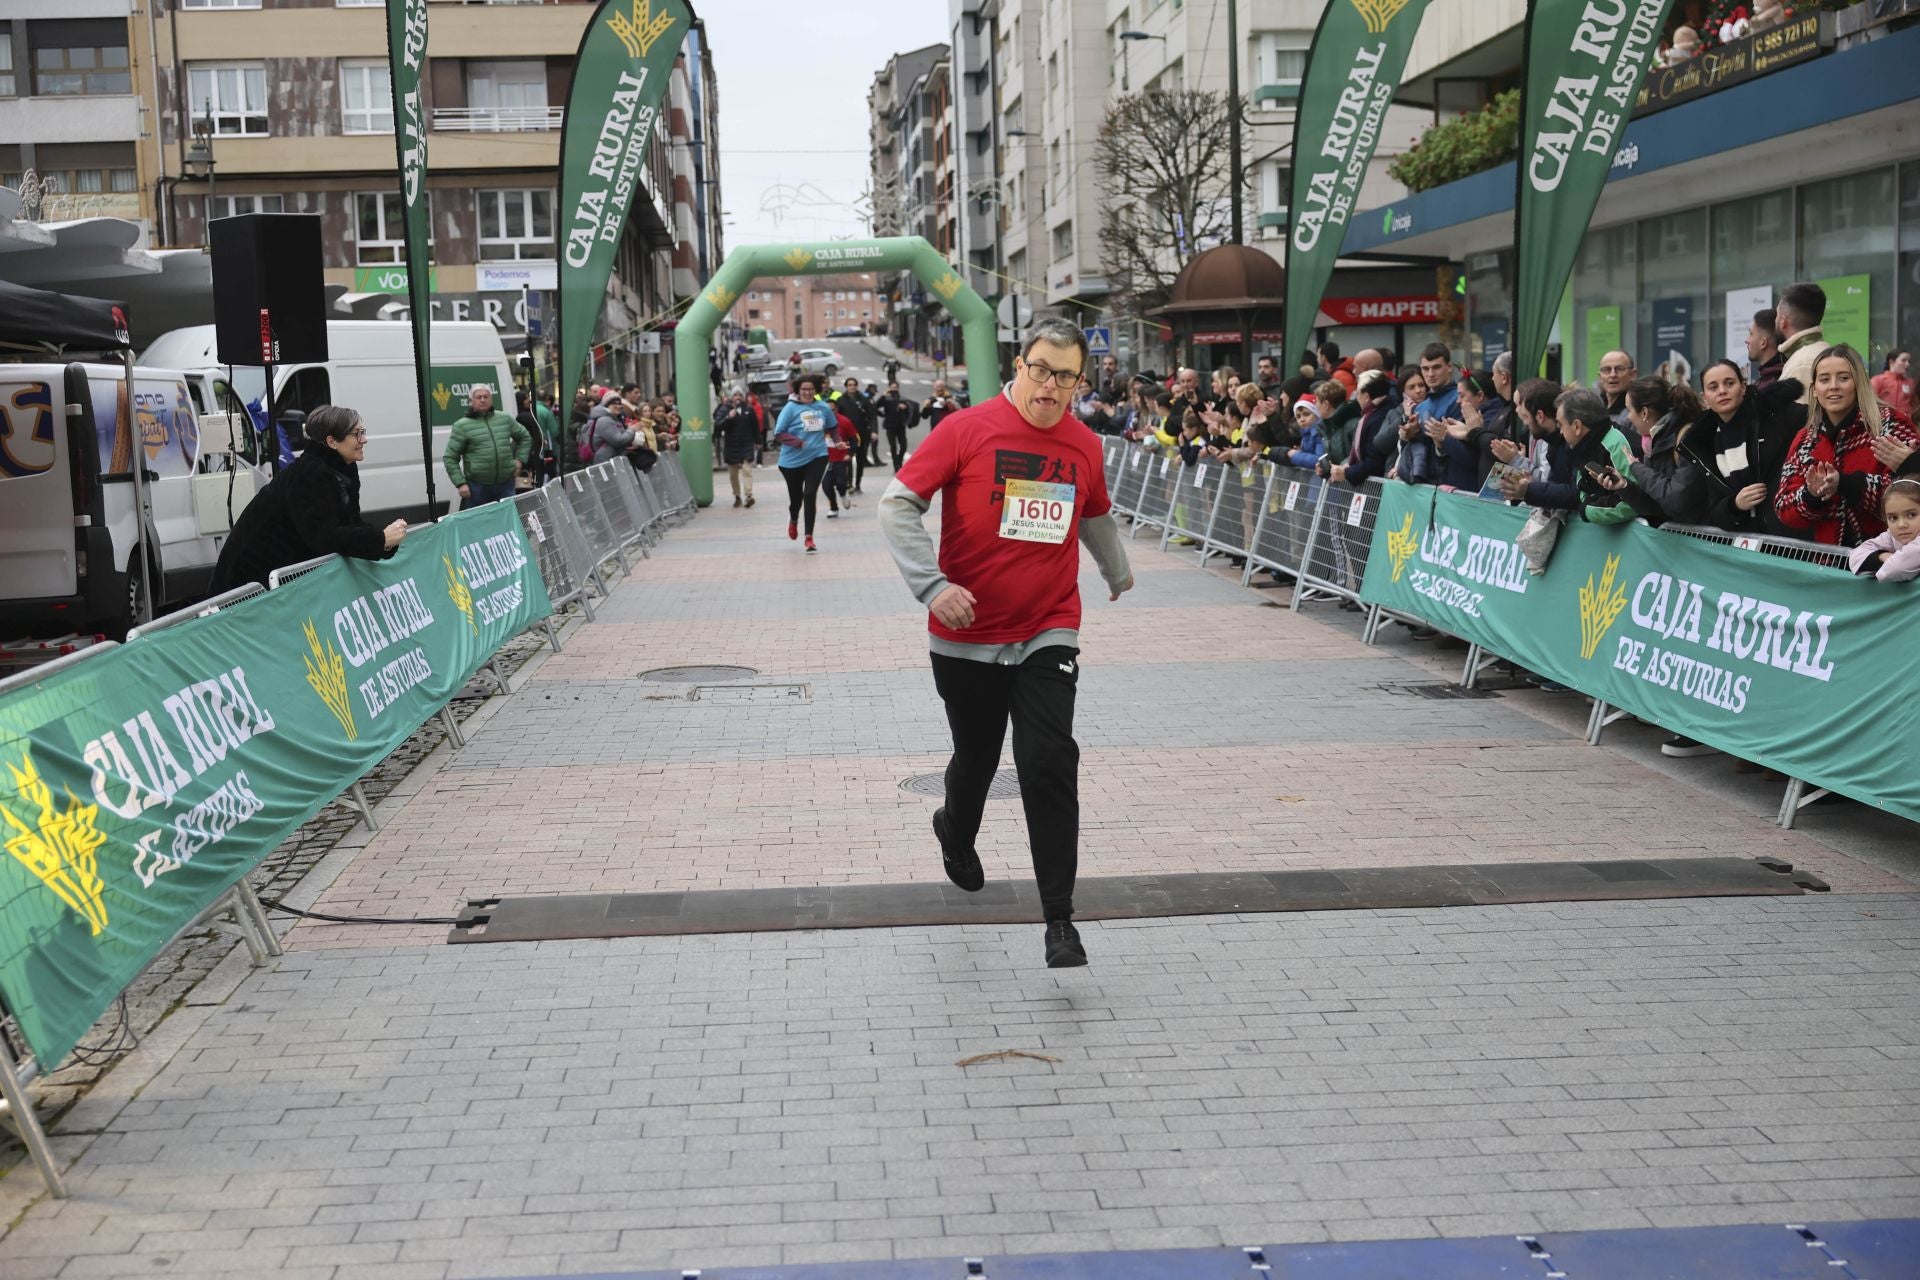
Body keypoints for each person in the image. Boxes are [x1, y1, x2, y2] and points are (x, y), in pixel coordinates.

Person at [878, 318, 1133, 969]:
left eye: (1066, 376)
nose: (1050, 386)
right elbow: (896, 504)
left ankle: (1060, 920)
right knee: (977, 758)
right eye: (1041, 369)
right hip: (965, 636)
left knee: (1049, 759)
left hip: (1049, 626)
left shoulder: (1083, 445)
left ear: (1080, 381)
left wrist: (1117, 569)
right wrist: (932, 585)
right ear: (1019, 366)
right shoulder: (965, 430)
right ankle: (954, 831)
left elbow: (1095, 510)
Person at [211, 405, 408, 590]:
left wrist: (385, 542)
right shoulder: (309, 475)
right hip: (247, 582)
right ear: (332, 442)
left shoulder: (343, 468)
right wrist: (380, 539)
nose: (363, 440)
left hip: (278, 576)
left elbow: (351, 524)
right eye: (357, 434)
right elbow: (324, 537)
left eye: (362, 432)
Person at [1774, 344, 1920, 545]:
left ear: (1859, 383)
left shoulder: (1890, 424)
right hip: (1828, 562)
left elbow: (1912, 496)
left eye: (1844, 378)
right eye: (1824, 379)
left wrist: (1847, 484)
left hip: (1889, 559)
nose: (1833, 386)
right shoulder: (1805, 438)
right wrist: (1812, 495)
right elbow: (1784, 509)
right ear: (1815, 390)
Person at [1602, 376, 1709, 528]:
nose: (1628, 417)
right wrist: (1624, 486)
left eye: (1629, 410)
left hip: (1702, 540)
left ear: (1644, 413)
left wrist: (1637, 468)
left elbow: (1677, 501)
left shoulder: (1687, 437)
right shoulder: (1653, 442)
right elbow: (1655, 507)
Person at [774, 373, 833, 552]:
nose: (807, 393)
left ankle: (809, 537)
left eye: (810, 389)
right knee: (796, 499)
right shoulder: (790, 408)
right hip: (791, 461)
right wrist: (798, 442)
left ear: (816, 390)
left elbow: (833, 426)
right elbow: (778, 433)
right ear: (798, 391)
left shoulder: (823, 407)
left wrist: (837, 441)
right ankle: (793, 520)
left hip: (817, 455)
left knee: (809, 493)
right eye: (804, 390)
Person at [443, 385, 529, 509]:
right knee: (481, 525)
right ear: (471, 401)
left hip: (506, 484)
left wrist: (520, 460)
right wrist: (460, 483)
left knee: (508, 521)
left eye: (486, 396)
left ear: (491, 399)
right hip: (477, 488)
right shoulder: (462, 426)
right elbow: (450, 457)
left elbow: (525, 437)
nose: (483, 400)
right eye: (478, 397)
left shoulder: (505, 418)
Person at [1847, 478, 1920, 582]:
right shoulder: (1892, 536)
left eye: (1911, 515)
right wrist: (1882, 556)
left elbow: (1896, 569)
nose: (1901, 525)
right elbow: (1855, 556)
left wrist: (1889, 563)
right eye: (1893, 518)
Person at [1776, 281, 1827, 406]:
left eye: (1777, 315)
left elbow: (1801, 424)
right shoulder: (1825, 350)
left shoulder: (1801, 364)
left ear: (1783, 321)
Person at [717, 390, 758, 508]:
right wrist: (728, 417)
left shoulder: (749, 410)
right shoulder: (725, 409)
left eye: (740, 395)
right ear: (731, 397)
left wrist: (758, 441)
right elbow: (718, 426)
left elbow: (755, 426)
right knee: (733, 473)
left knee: (747, 470)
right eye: (735, 395)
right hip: (731, 446)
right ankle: (737, 496)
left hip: (746, 444)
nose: (738, 397)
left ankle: (749, 495)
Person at [833, 376, 874, 492]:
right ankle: (849, 484)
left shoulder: (864, 399)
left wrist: (874, 431)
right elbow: (837, 417)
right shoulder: (841, 400)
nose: (852, 387)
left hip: (861, 434)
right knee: (848, 459)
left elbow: (872, 416)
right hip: (847, 435)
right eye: (850, 385)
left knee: (861, 460)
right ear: (846, 386)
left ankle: (858, 484)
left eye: (854, 385)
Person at [823, 398, 858, 518]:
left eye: (832, 410)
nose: (829, 413)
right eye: (826, 410)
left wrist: (850, 453)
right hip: (825, 460)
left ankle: (843, 495)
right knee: (826, 485)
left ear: (836, 409)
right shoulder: (820, 423)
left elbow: (854, 439)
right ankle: (833, 508)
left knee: (840, 483)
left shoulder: (845, 422)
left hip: (841, 459)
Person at [877, 381, 918, 468]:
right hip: (890, 426)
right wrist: (883, 396)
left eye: (895, 387)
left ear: (898, 388)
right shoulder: (886, 399)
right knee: (893, 446)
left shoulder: (902, 398)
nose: (894, 389)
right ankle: (896, 465)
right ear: (889, 388)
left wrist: (905, 407)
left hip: (900, 425)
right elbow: (876, 406)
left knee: (903, 445)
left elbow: (911, 409)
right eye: (892, 387)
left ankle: (899, 459)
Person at [1417, 343, 1461, 423]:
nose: (1431, 374)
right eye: (1425, 368)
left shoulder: (1460, 399)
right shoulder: (1420, 407)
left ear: (1449, 367)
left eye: (1436, 367)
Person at [1595, 349, 1636, 432]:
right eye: (1607, 369)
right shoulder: (1593, 408)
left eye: (1619, 369)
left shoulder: (1636, 409)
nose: (1613, 374)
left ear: (1632, 374)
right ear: (1600, 376)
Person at [1747, 309, 1785, 390]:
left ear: (1763, 343)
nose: (1746, 340)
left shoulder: (1771, 386)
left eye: (1751, 334)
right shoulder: (1783, 373)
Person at [1873, 349, 1915, 422]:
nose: (1907, 364)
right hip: (1883, 423)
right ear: (1891, 362)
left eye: (1908, 361)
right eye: (1903, 360)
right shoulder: (1878, 380)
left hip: (1906, 425)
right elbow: (1869, 403)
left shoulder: (1911, 383)